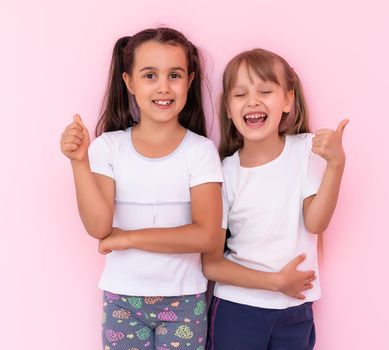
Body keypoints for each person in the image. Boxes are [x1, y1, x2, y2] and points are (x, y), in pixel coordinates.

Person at [60, 27, 222, 350]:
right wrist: (79, 162)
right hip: (122, 300)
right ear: (129, 82)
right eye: (150, 75)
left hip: (184, 300)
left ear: (189, 81)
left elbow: (206, 235)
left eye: (174, 75)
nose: (164, 87)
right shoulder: (108, 148)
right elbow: (99, 226)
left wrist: (130, 238)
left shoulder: (200, 152)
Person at [203, 48, 348, 349]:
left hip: (296, 310)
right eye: (240, 94)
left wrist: (336, 165)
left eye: (265, 90)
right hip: (237, 308)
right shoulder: (224, 173)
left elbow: (316, 222)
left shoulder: (307, 151)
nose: (253, 101)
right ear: (228, 109)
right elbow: (212, 265)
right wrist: (275, 282)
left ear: (287, 100)